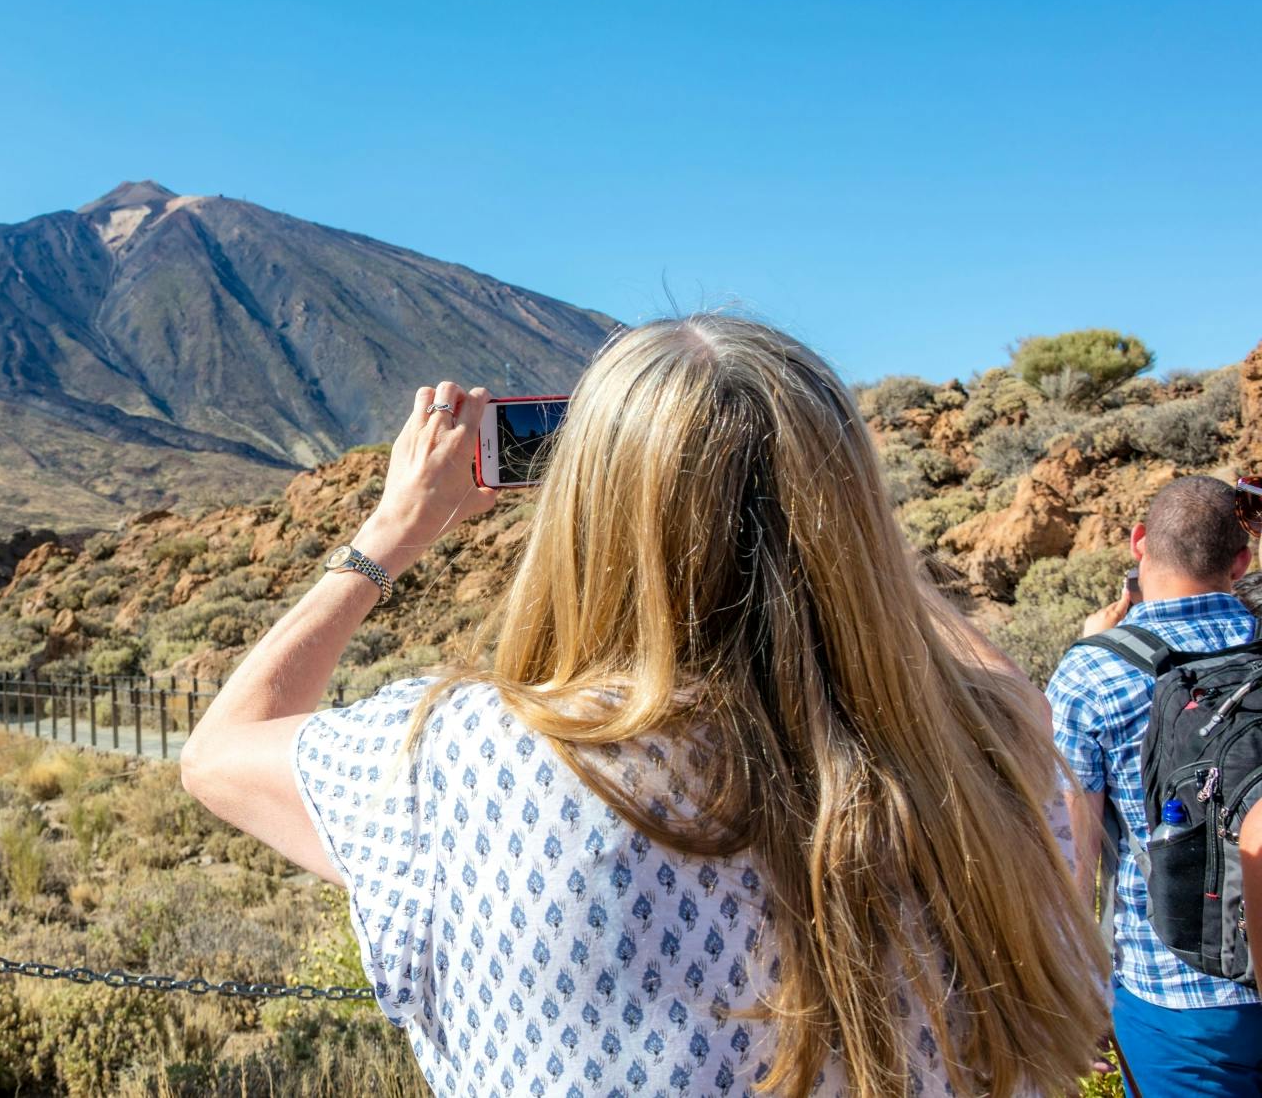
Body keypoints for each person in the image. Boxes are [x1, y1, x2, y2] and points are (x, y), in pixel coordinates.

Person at [182, 317, 1106, 1097]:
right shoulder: (996, 754)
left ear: (584, 507)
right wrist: (846, 560)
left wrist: (392, 531)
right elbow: (978, 682)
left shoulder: (469, 757)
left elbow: (218, 752)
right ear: (851, 508)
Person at [1048, 475, 1261, 1096]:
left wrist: (1069, 995)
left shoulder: (1093, 672)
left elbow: (1071, 862)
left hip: (1176, 995)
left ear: (1139, 543)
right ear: (1241, 560)